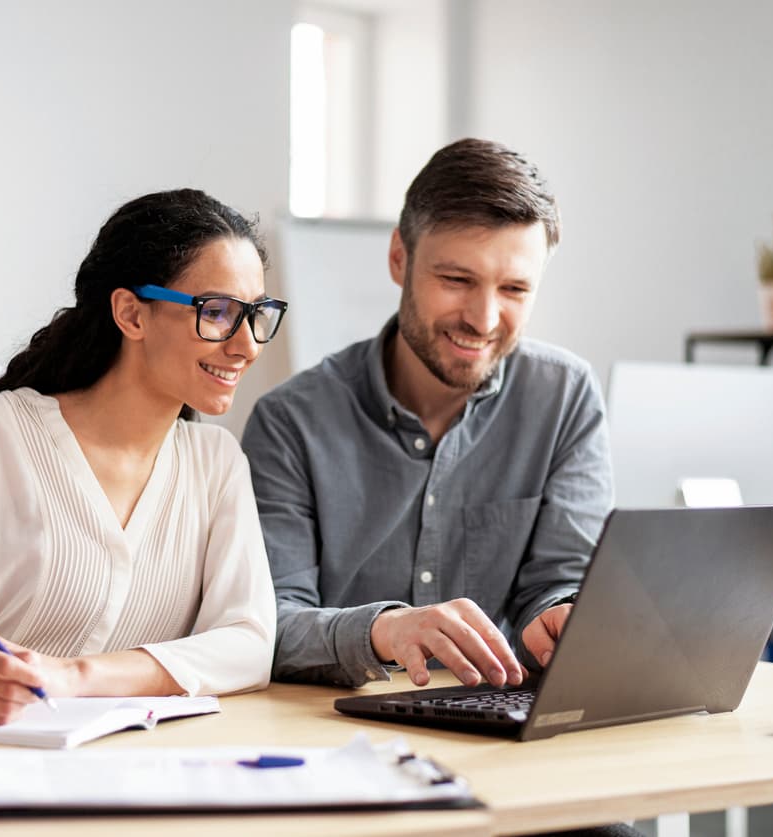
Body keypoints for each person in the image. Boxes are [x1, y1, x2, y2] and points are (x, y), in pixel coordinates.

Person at [0, 189, 285, 725]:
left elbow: (249, 643)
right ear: (131, 314)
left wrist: (77, 678)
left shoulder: (216, 462)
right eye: (218, 312)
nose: (247, 345)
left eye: (257, 314)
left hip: (134, 774)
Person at [242, 138, 612, 691]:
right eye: (457, 280)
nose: (484, 319)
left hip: (504, 728)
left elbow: (560, 578)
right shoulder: (291, 423)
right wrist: (385, 631)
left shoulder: (565, 397)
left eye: (514, 288)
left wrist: (558, 616)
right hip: (338, 735)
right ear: (399, 258)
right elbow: (268, 627)